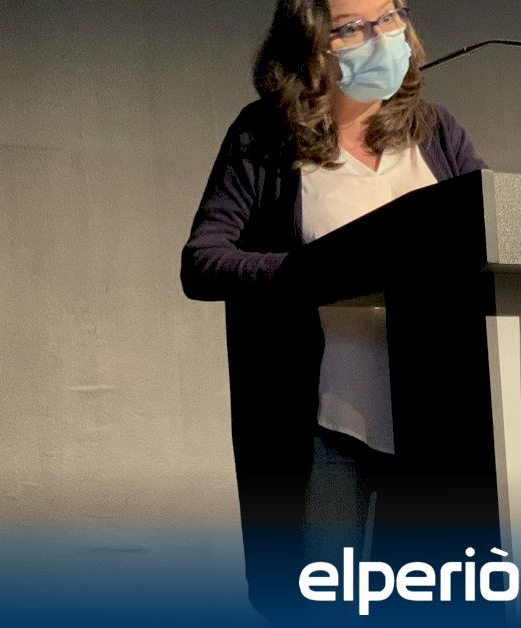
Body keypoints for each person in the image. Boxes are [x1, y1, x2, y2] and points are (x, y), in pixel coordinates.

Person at [178, 0, 486, 623]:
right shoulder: (265, 136)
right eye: (351, 27)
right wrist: (313, 271)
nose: (380, 36)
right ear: (310, 48)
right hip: (326, 422)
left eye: (389, 17)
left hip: (440, 418)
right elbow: (203, 261)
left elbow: (493, 239)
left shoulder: (435, 130)